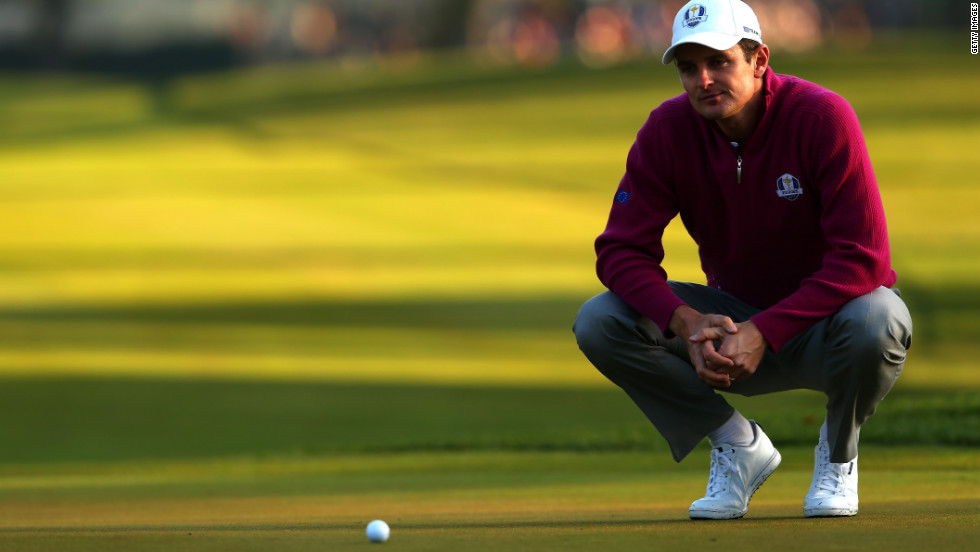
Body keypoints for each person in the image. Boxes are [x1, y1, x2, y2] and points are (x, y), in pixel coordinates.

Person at [573, 0, 912, 520]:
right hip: (728, 326)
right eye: (689, 67)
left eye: (719, 62)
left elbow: (864, 260)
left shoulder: (822, 116)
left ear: (759, 60)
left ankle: (838, 455)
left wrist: (766, 330)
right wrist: (684, 321)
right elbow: (620, 250)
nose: (703, 80)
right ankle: (736, 444)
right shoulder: (667, 130)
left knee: (881, 318)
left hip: (828, 325)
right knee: (601, 320)